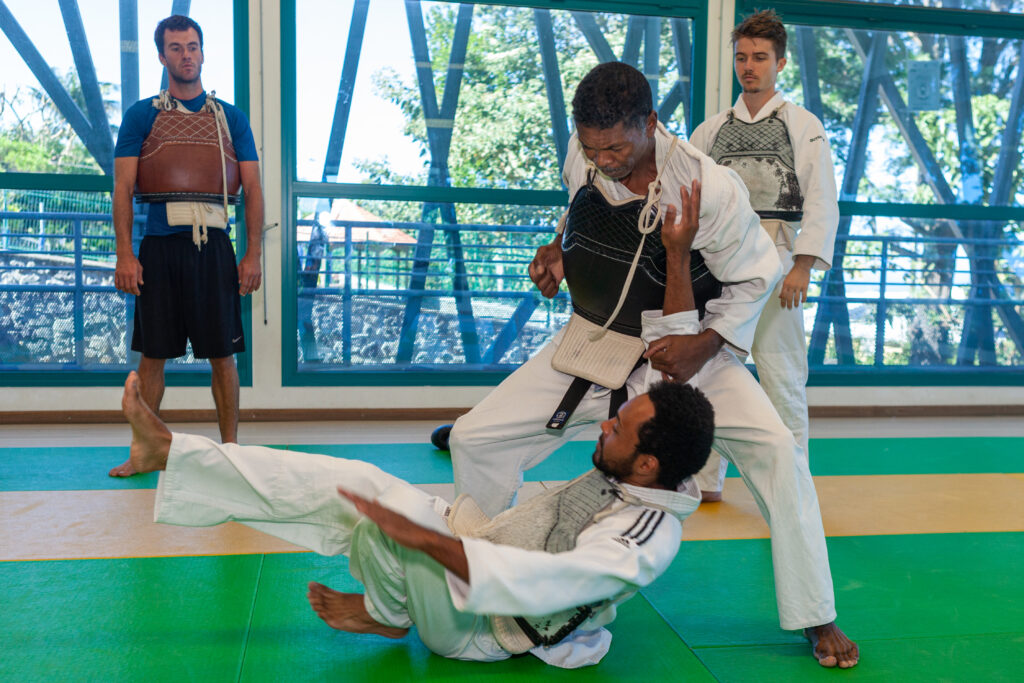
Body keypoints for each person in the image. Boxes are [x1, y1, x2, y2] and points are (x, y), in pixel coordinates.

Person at [447, 62, 858, 668]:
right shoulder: (585, 153)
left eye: (615, 147)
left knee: (777, 449)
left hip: (691, 350)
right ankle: (480, 582)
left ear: (650, 124)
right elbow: (578, 209)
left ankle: (814, 611)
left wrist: (708, 343)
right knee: (475, 437)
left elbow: (756, 277)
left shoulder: (707, 187)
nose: (602, 159)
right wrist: (558, 251)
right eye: (592, 147)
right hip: (595, 341)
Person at [121, 368, 715, 668]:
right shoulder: (640, 474)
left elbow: (551, 583)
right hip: (480, 553)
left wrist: (427, 541)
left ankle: (386, 614)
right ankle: (172, 451)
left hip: (487, 631)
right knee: (357, 483)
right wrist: (433, 536)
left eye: (619, 427)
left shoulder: (646, 538)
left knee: (387, 525)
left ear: (647, 464)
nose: (605, 424)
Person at [689, 9, 839, 497]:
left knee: (782, 374)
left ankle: (794, 484)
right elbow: (692, 196)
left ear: (780, 63)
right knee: (709, 372)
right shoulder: (711, 130)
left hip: (777, 258)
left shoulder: (802, 124)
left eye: (759, 57)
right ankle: (705, 478)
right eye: (741, 58)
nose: (748, 66)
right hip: (719, 261)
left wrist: (803, 265)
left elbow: (821, 197)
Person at [109, 15, 264, 477]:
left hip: (214, 248)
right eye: (175, 48)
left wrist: (253, 254)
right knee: (153, 355)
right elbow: (122, 188)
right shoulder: (142, 115)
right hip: (159, 248)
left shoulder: (230, 118)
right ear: (162, 56)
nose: (186, 55)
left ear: (202, 52)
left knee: (223, 356)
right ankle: (145, 450)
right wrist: (124, 254)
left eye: (192, 46)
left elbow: (253, 189)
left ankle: (232, 450)